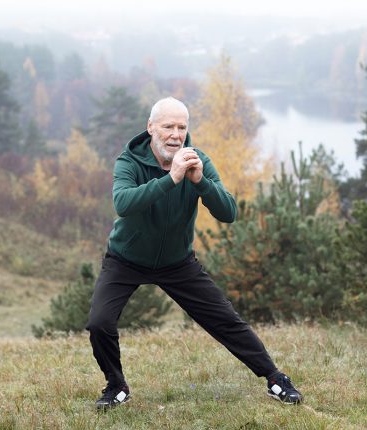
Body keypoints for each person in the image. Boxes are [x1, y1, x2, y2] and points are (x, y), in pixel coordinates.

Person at [86, 96, 303, 409]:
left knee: (226, 320)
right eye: (168, 126)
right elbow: (123, 204)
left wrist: (200, 182)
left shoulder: (197, 160)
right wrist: (171, 179)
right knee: (99, 323)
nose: (176, 134)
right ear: (150, 128)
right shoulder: (129, 162)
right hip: (126, 260)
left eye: (182, 127)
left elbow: (229, 212)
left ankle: (274, 378)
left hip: (177, 263)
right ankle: (116, 384)